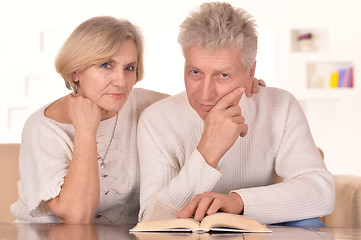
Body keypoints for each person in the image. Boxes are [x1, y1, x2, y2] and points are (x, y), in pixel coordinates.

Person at [10, 15, 263, 224]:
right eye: (106, 65)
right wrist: (86, 131)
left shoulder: (145, 105)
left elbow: (203, 100)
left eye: (129, 67)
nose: (121, 81)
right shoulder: (43, 128)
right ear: (75, 71)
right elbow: (77, 216)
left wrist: (240, 82)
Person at [138, 2, 335, 226]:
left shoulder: (280, 106)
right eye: (195, 72)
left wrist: (239, 202)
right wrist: (207, 153)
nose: (205, 93)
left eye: (223, 75)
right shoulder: (156, 120)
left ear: (251, 73)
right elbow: (150, 221)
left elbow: (322, 192)